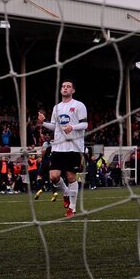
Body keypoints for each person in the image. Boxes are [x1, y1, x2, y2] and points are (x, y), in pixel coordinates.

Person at [37, 80, 88, 218]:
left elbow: (85, 125)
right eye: (63, 86)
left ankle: (72, 208)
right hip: (58, 147)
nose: (65, 88)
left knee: (71, 177)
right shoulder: (56, 108)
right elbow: (55, 127)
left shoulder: (79, 105)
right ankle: (65, 192)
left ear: (73, 90)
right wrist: (43, 123)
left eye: (68, 87)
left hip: (73, 147)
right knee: (54, 177)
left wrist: (73, 127)